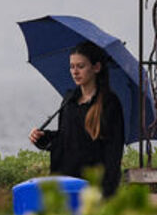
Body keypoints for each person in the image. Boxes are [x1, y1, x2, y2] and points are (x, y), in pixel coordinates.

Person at [29, 41, 126, 198]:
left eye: (81, 66)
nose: (75, 72)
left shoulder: (109, 104)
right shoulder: (70, 99)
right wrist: (42, 138)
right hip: (65, 185)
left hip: (92, 189)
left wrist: (106, 192)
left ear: (96, 67)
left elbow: (113, 152)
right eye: (72, 66)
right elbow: (66, 138)